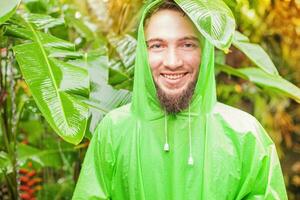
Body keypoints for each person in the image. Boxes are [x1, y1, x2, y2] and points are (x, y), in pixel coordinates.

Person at [72, 0, 288, 199]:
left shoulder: (246, 135)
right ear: (142, 52)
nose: (172, 61)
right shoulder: (113, 131)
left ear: (205, 53)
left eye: (187, 45)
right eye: (157, 45)